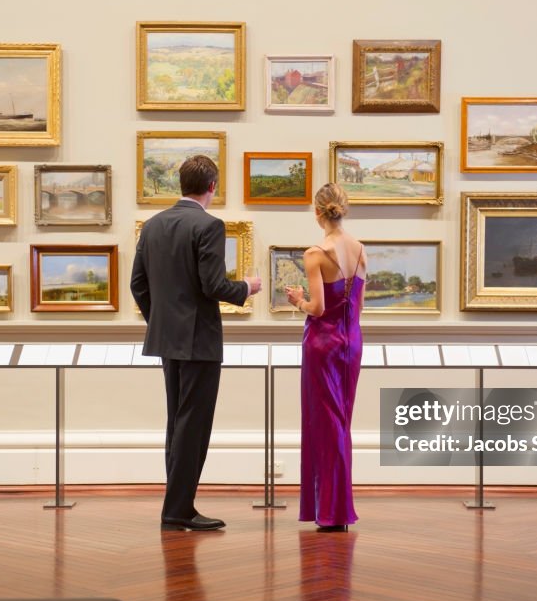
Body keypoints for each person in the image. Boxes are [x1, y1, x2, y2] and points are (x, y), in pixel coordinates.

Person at [131, 155, 262, 531]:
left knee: (177, 422)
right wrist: (247, 288)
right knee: (193, 425)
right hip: (199, 341)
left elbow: (137, 284)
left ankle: (177, 506)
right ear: (213, 187)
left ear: (181, 184)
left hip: (166, 339)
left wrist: (162, 321)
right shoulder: (209, 225)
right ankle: (178, 510)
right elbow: (214, 286)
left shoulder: (152, 226)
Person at [285, 183, 366, 532]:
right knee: (341, 421)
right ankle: (338, 508)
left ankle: (332, 512)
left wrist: (297, 301)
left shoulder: (315, 253)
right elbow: (358, 305)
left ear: (317, 212)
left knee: (326, 423)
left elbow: (317, 308)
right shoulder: (361, 249)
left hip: (322, 344)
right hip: (352, 342)